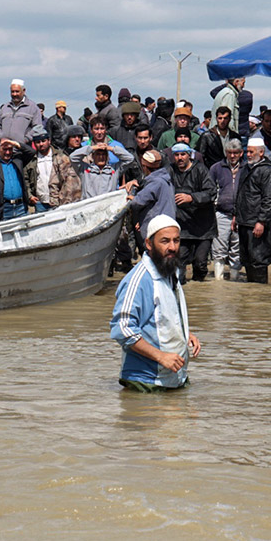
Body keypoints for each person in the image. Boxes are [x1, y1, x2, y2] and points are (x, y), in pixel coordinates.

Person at [110, 214, 200, 392]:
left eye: (176, 240)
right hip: (146, 382)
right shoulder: (139, 280)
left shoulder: (169, 269)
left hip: (173, 378)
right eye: (165, 241)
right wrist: (161, 356)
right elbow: (123, 329)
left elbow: (163, 314)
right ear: (149, 244)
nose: (172, 247)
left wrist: (185, 332)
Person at [167, 142, 216, 282]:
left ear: (189, 155)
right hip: (182, 225)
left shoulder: (201, 170)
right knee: (179, 261)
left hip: (204, 226)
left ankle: (199, 291)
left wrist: (191, 197)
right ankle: (180, 291)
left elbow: (211, 193)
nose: (180, 158)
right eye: (176, 155)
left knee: (200, 263)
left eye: (183, 154)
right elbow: (157, 183)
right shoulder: (169, 170)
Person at [233, 138, 271, 283]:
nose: (249, 154)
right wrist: (236, 216)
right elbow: (240, 193)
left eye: (251, 152)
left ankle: (260, 294)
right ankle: (250, 297)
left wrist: (261, 221)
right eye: (247, 151)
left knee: (258, 260)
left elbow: (269, 199)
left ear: (261, 152)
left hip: (257, 223)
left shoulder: (268, 171)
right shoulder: (246, 168)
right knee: (246, 259)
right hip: (244, 220)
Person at [208, 139, 244, 280]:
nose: (232, 156)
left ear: (241, 153)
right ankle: (219, 281)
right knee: (219, 248)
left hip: (241, 214)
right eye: (230, 153)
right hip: (221, 213)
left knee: (237, 249)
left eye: (235, 153)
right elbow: (211, 189)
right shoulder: (216, 168)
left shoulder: (246, 168)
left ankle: (234, 279)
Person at [0, 79, 44, 151]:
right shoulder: (5, 108)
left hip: (21, 150)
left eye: (17, 91)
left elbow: (38, 127)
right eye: (12, 92)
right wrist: (0, 137)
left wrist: (25, 139)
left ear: (23, 91)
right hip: (4, 150)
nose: (14, 94)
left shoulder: (32, 108)